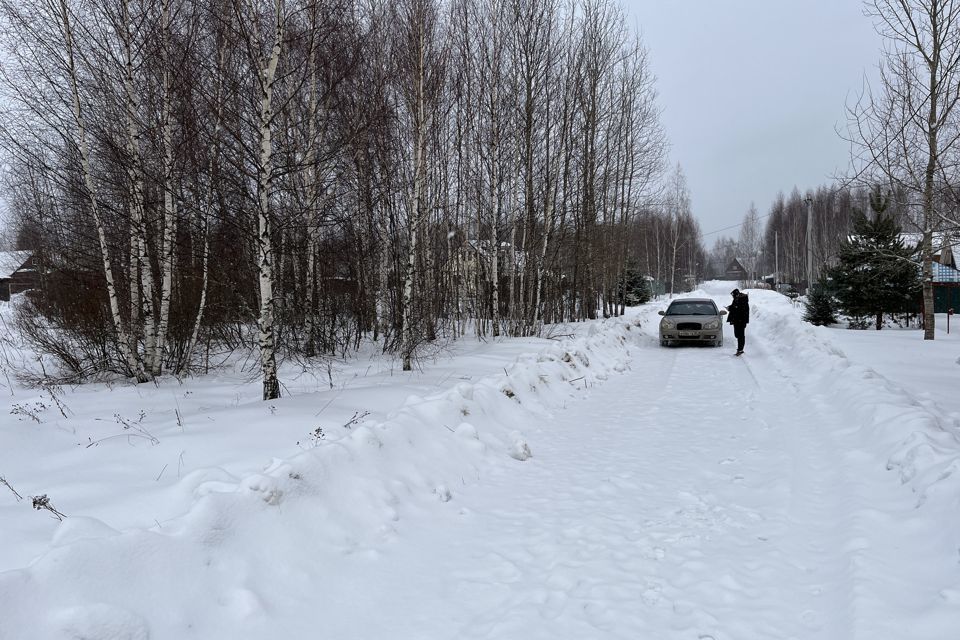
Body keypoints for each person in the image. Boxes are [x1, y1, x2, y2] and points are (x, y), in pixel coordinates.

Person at [726, 288, 750, 356]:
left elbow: (740, 310)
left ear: (736, 294)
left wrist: (731, 308)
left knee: (740, 335)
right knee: (737, 335)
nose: (732, 296)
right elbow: (734, 307)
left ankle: (740, 349)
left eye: (733, 295)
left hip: (741, 321)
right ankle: (740, 349)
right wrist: (729, 307)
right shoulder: (736, 299)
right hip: (736, 320)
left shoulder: (743, 300)